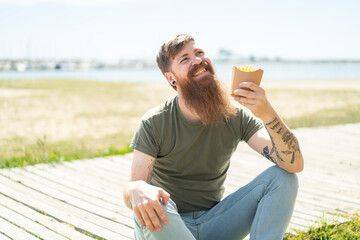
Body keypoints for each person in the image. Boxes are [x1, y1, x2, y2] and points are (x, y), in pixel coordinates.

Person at [123, 34, 304, 240]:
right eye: (185, 59)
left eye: (199, 53)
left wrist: (267, 113)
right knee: (153, 204)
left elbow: (294, 165)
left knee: (283, 178)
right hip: (168, 226)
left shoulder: (234, 115)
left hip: (215, 223)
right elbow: (132, 189)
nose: (198, 60)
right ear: (170, 78)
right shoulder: (154, 122)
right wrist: (137, 189)